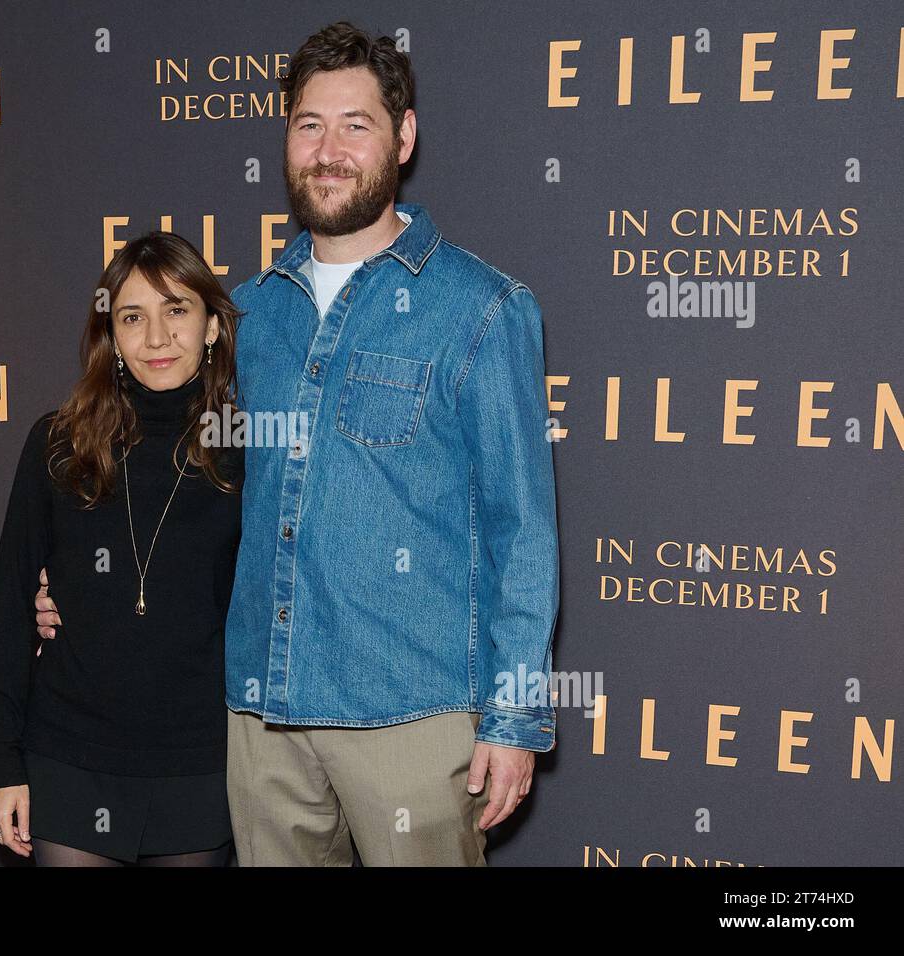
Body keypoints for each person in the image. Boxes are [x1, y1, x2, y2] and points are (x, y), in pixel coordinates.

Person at [218, 21, 561, 865]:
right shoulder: (247, 315)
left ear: (403, 138)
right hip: (263, 717)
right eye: (308, 124)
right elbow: (204, 495)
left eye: (355, 124)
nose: (327, 149)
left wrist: (513, 718)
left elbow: (524, 530)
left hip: (414, 717)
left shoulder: (480, 308)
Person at [0, 230, 244, 866]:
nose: (156, 338)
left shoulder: (247, 453)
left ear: (211, 327)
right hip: (69, 754)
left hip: (199, 762)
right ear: (112, 336)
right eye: (133, 317)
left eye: (177, 310)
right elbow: (11, 610)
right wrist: (3, 761)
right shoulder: (60, 443)